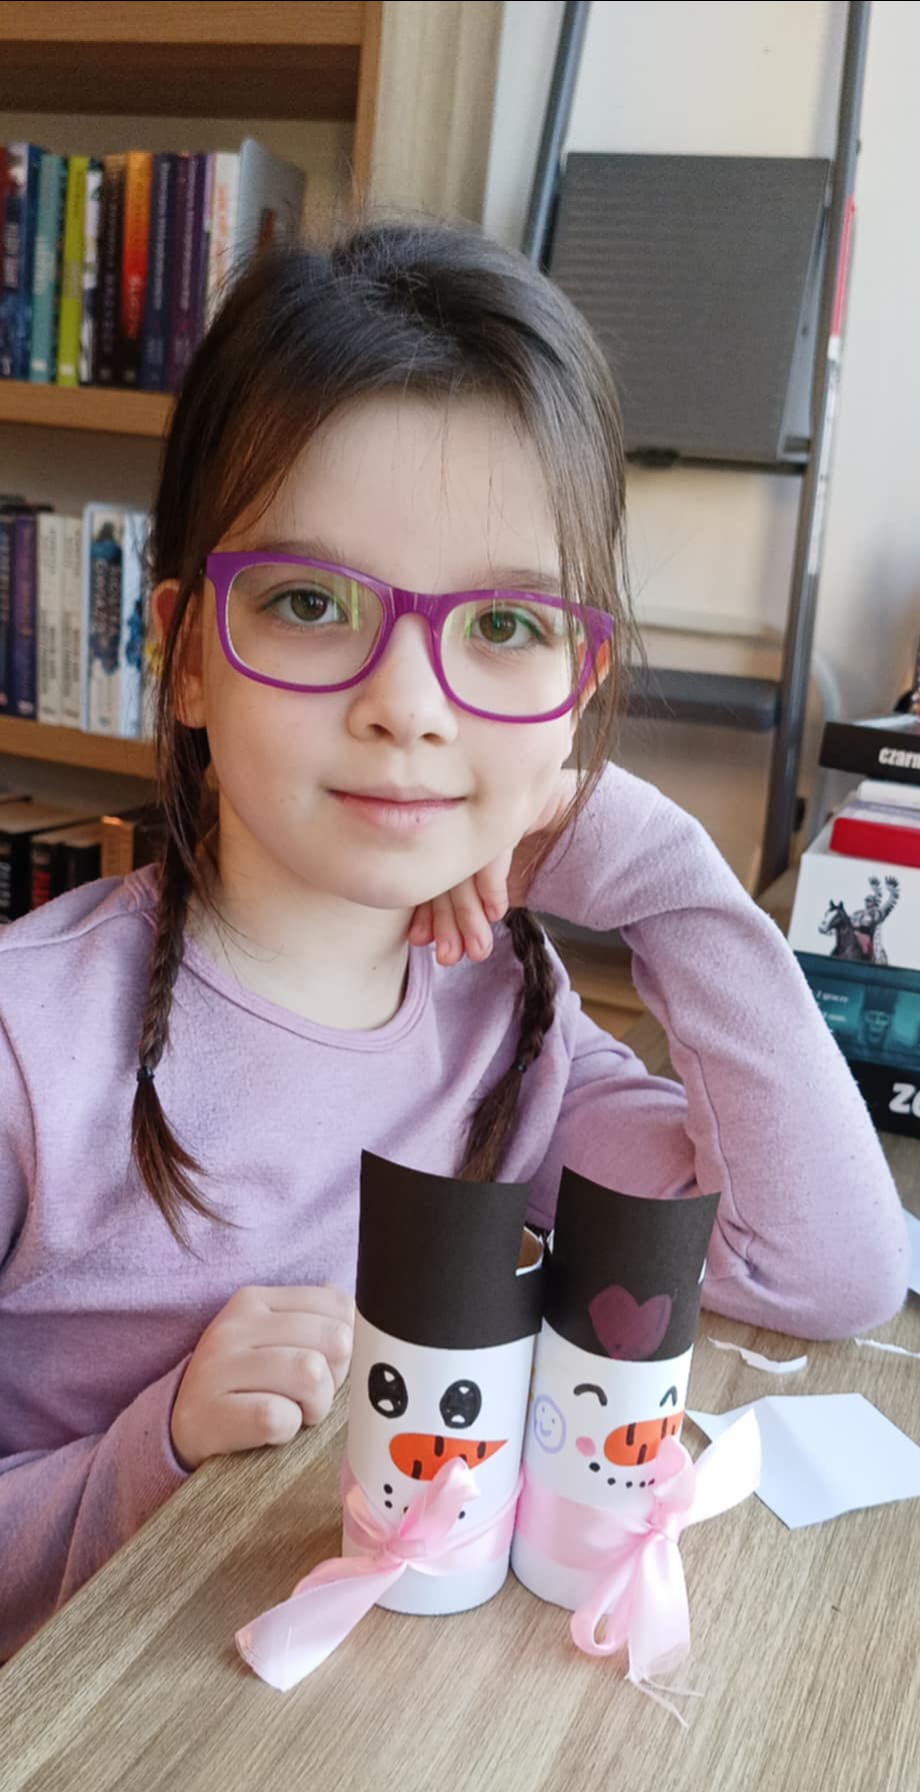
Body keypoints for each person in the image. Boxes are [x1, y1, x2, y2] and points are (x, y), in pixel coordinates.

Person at [0, 219, 909, 1663]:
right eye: (310, 604)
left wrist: (653, 868)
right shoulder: (28, 1050)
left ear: (579, 683)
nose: (410, 705)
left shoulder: (510, 1018)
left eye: (503, 625)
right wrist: (148, 1451)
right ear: (184, 656)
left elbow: (823, 1272)